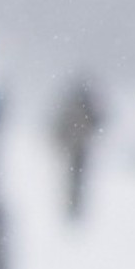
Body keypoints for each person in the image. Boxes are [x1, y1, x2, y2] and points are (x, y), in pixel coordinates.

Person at [52, 75, 104, 222]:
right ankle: (72, 207)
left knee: (75, 179)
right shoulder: (80, 107)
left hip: (78, 147)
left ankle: (74, 206)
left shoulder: (78, 107)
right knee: (74, 179)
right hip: (76, 147)